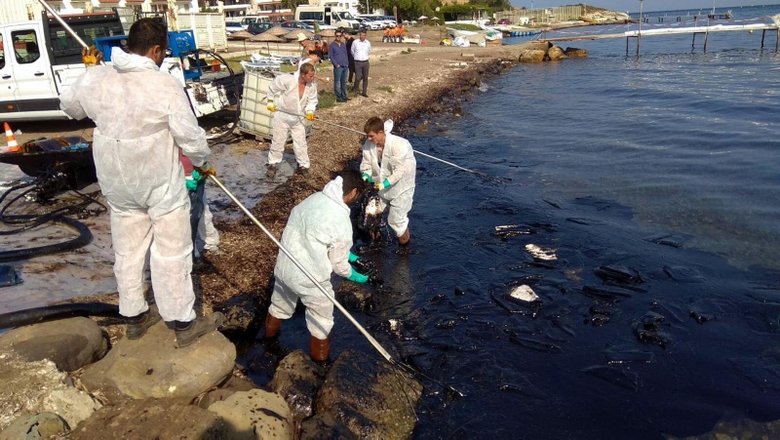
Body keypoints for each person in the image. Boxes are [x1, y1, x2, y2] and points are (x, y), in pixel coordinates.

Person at [59, 18, 223, 347]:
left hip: (117, 181)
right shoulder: (163, 85)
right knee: (172, 252)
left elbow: (70, 108)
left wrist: (89, 72)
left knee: (128, 251)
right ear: (156, 49)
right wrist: (203, 163)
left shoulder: (101, 76)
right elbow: (190, 137)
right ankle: (182, 323)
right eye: (163, 52)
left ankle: (133, 316)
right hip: (157, 181)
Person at [264, 170, 371, 362]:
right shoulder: (341, 219)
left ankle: (266, 344)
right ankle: (320, 366)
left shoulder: (311, 200)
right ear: (353, 192)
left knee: (278, 306)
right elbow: (338, 265)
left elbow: (314, 235)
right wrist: (354, 275)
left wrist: (350, 255)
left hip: (284, 267)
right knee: (321, 324)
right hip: (311, 279)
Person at [359, 117, 416, 246]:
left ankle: (404, 249)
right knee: (371, 215)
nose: (368, 139)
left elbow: (399, 172)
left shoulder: (399, 145)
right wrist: (365, 176)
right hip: (380, 186)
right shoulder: (369, 145)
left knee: (396, 221)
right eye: (367, 136)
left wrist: (384, 183)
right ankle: (377, 246)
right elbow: (366, 165)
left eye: (371, 136)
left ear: (380, 133)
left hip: (401, 187)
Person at [265, 62, 318, 178]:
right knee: (278, 141)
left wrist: (309, 111)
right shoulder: (288, 80)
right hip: (282, 116)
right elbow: (272, 87)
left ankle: (303, 165)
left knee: (301, 143)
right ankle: (273, 164)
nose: (313, 78)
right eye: (311, 76)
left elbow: (312, 100)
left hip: (298, 118)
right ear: (303, 75)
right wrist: (270, 101)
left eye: (313, 76)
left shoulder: (311, 85)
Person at [350, 28, 371, 97]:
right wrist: (357, 57)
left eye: (364, 35)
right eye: (361, 35)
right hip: (357, 62)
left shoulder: (368, 43)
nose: (362, 36)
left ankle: (364, 92)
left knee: (365, 78)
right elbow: (352, 51)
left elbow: (369, 51)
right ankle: (356, 91)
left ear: (365, 36)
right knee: (358, 78)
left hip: (365, 62)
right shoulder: (355, 42)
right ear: (359, 35)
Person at [329, 30, 349, 103]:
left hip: (345, 66)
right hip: (338, 66)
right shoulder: (332, 45)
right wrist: (336, 64)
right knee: (337, 82)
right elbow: (331, 56)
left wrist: (347, 63)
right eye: (337, 36)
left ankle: (344, 96)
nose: (338, 37)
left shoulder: (343, 44)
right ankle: (338, 97)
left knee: (344, 82)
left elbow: (345, 54)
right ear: (335, 36)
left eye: (340, 36)